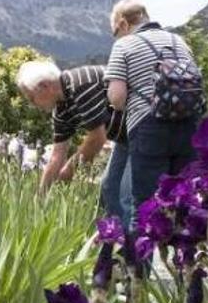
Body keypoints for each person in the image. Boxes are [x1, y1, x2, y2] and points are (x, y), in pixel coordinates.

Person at [104, 0, 204, 226]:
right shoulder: (179, 41)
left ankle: (140, 262)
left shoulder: (124, 45)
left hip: (149, 127)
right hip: (189, 125)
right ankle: (182, 259)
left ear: (123, 23)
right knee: (183, 202)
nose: (116, 36)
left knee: (146, 206)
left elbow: (117, 99)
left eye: (115, 31)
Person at [16, 61, 129, 223]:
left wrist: (67, 171)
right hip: (125, 139)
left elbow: (97, 138)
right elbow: (57, 155)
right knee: (109, 188)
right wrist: (40, 197)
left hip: (144, 129)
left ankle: (131, 243)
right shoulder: (61, 109)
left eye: (32, 98)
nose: (33, 104)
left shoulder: (81, 84)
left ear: (45, 86)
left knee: (126, 196)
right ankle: (114, 240)